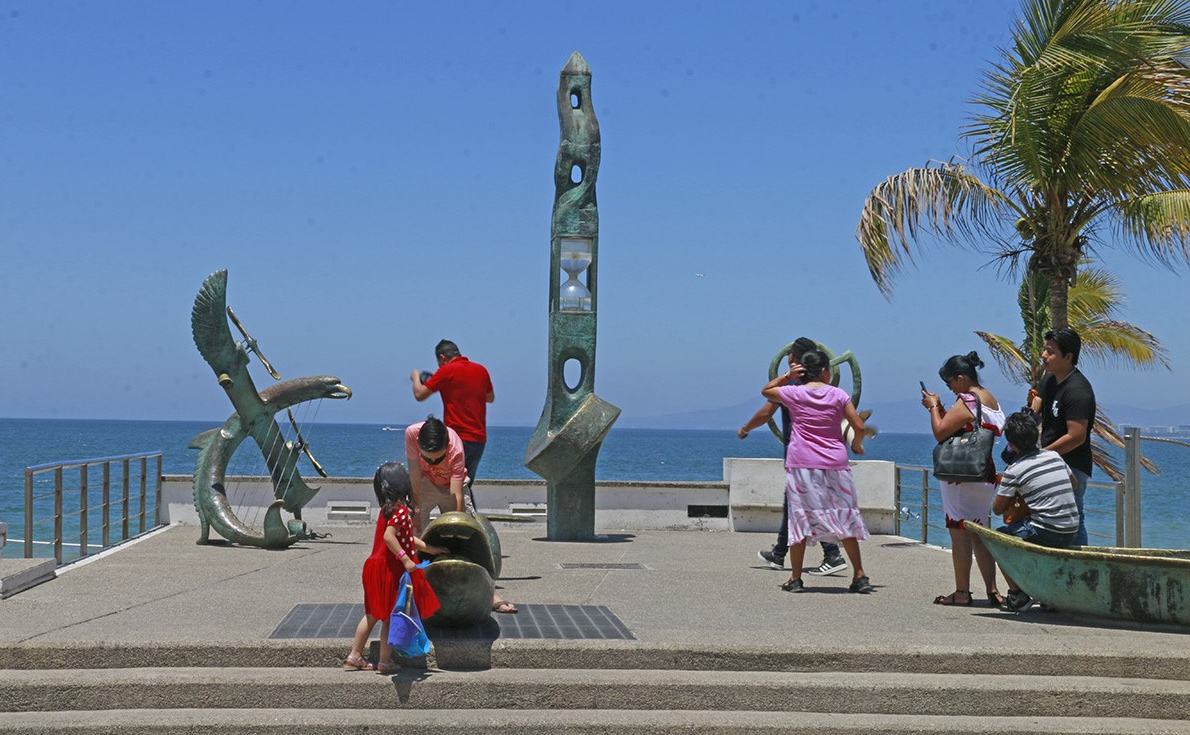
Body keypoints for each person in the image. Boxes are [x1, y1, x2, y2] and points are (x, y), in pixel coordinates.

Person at [761, 349, 873, 594]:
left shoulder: (794, 393)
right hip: (835, 463)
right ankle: (860, 575)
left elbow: (766, 390)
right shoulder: (838, 395)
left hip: (802, 463)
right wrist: (856, 444)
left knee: (799, 516)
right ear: (824, 371)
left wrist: (787, 376)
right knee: (844, 515)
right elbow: (859, 425)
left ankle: (796, 578)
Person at [741, 337, 847, 576]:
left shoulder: (794, 388)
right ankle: (779, 553)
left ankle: (832, 553)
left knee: (806, 504)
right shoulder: (822, 387)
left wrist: (746, 428)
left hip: (800, 454)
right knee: (794, 503)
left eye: (790, 353)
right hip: (824, 455)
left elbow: (766, 410)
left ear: (793, 358)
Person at [405, 416, 518, 614]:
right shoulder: (411, 434)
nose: (433, 462)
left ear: (447, 446)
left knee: (471, 533)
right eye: (428, 458)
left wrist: (457, 524)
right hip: (424, 484)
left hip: (452, 484)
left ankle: (488, 592)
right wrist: (414, 509)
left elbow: (455, 493)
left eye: (439, 458)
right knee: (413, 531)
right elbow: (414, 474)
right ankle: (417, 587)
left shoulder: (456, 446)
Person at [921, 351, 1006, 607]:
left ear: (960, 378)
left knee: (958, 532)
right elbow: (968, 427)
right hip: (983, 472)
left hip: (961, 475)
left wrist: (933, 407)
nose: (950, 389)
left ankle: (962, 592)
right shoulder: (989, 399)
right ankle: (992, 591)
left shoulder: (967, 399)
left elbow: (940, 432)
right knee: (980, 532)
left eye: (950, 384)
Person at [345, 462, 447, 674]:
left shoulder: (388, 510)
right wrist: (406, 560)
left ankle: (355, 655)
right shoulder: (400, 511)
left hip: (374, 567)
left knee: (372, 614)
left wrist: (432, 549)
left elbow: (407, 539)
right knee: (389, 617)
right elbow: (389, 538)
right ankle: (385, 661)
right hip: (388, 570)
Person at [992, 411, 1080, 611]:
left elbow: (997, 509)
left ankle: (1017, 595)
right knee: (1034, 531)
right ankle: (1048, 595)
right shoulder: (1054, 456)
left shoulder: (1014, 470)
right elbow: (1073, 485)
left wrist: (1010, 487)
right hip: (1071, 529)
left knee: (997, 540)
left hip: (1047, 531)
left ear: (1011, 444)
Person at [410, 339, 494, 504]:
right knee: (465, 485)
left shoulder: (447, 371)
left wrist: (415, 378)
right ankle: (466, 524)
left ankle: (462, 525)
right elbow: (490, 398)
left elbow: (420, 395)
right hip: (478, 438)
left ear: (442, 357)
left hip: (457, 438)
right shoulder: (481, 370)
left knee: (454, 488)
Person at [1033, 327, 1095, 545]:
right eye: (1044, 349)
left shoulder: (1078, 390)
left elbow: (1076, 436)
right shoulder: (1050, 380)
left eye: (1050, 351)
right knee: (1048, 519)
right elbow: (1036, 402)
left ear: (1068, 357)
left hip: (1073, 465)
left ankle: (1080, 568)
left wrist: (1041, 456)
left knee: (1073, 518)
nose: (1044, 355)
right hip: (1052, 462)